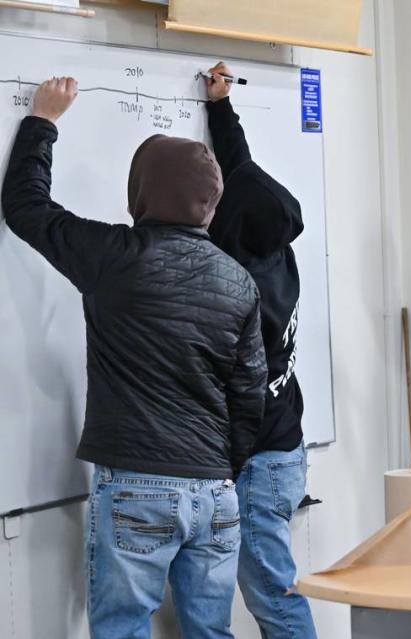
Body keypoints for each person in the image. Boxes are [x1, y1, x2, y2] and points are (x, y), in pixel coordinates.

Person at [2, 77, 267, 638]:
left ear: (139, 192)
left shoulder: (115, 257)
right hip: (216, 489)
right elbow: (249, 397)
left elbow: (26, 208)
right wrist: (223, 469)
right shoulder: (239, 282)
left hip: (137, 485)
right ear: (210, 203)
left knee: (122, 631)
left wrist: (43, 122)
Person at [203, 62, 317, 638]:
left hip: (259, 458)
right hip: (284, 446)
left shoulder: (237, 292)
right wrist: (221, 109)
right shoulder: (277, 253)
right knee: (272, 592)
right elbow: (243, 172)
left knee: (273, 598)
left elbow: (238, 390)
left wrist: (225, 459)